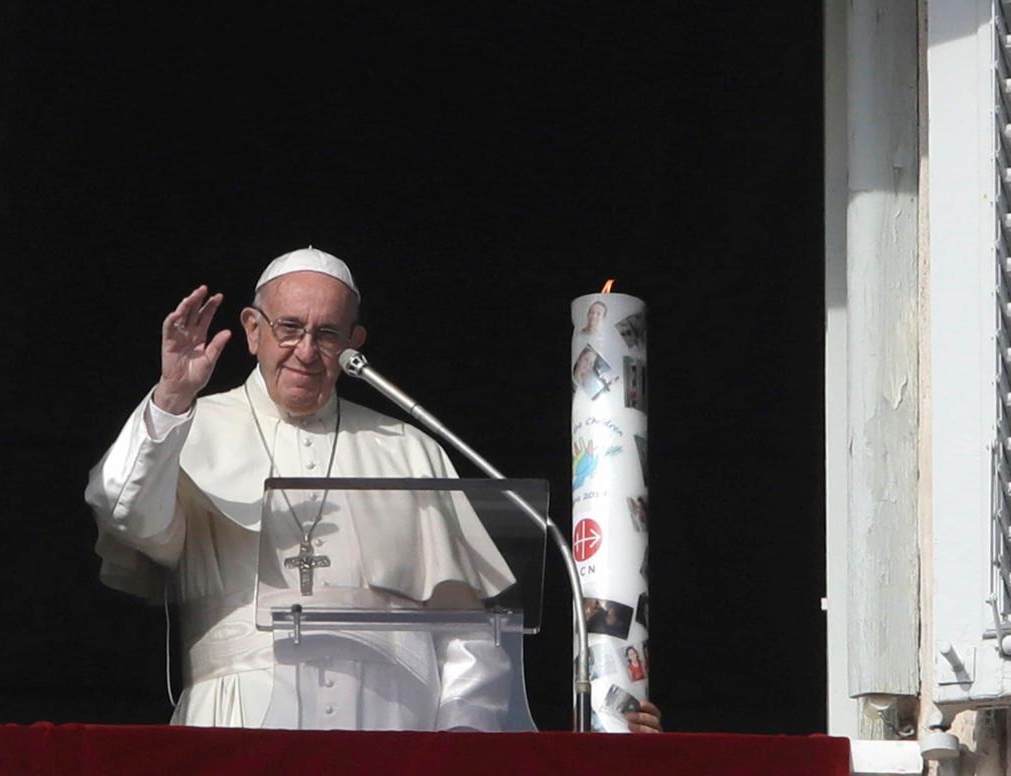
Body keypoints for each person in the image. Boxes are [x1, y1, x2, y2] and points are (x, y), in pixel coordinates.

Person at [85, 247, 662, 734]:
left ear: (355, 340)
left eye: (327, 334)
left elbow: (468, 635)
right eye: (289, 328)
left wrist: (458, 741)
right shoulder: (190, 425)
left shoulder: (409, 448)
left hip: (394, 726)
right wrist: (169, 400)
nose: (307, 352)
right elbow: (127, 515)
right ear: (253, 330)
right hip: (239, 720)